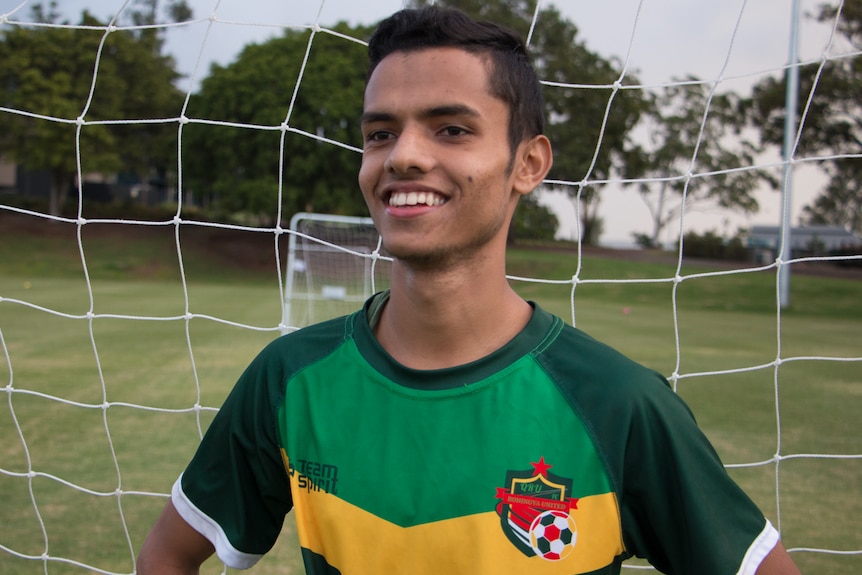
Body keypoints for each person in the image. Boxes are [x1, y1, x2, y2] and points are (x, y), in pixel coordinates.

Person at [137, 6, 802, 575]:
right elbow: (166, 553)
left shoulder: (618, 404)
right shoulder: (290, 379)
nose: (402, 156)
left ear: (529, 163)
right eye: (380, 132)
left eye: (451, 129)